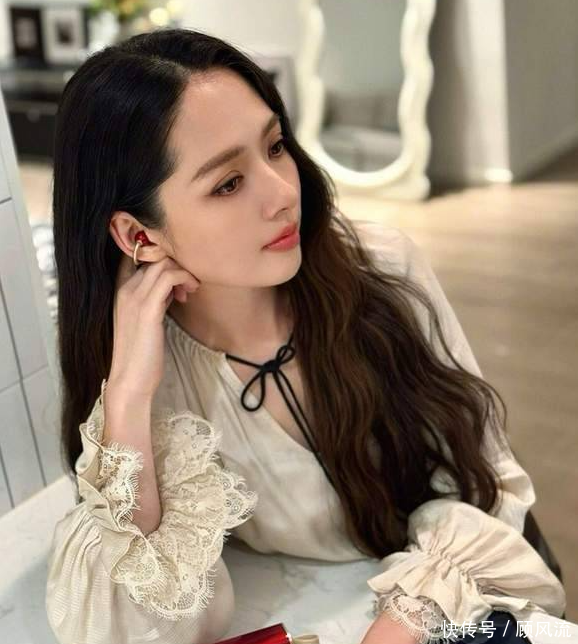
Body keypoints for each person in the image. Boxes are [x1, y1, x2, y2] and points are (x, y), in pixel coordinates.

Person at [45, 27, 566, 644]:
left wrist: (405, 619)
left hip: (472, 602)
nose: (283, 193)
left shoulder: (383, 269)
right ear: (140, 236)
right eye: (228, 183)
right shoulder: (151, 371)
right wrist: (129, 392)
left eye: (275, 147)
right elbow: (138, 622)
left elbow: (490, 492)